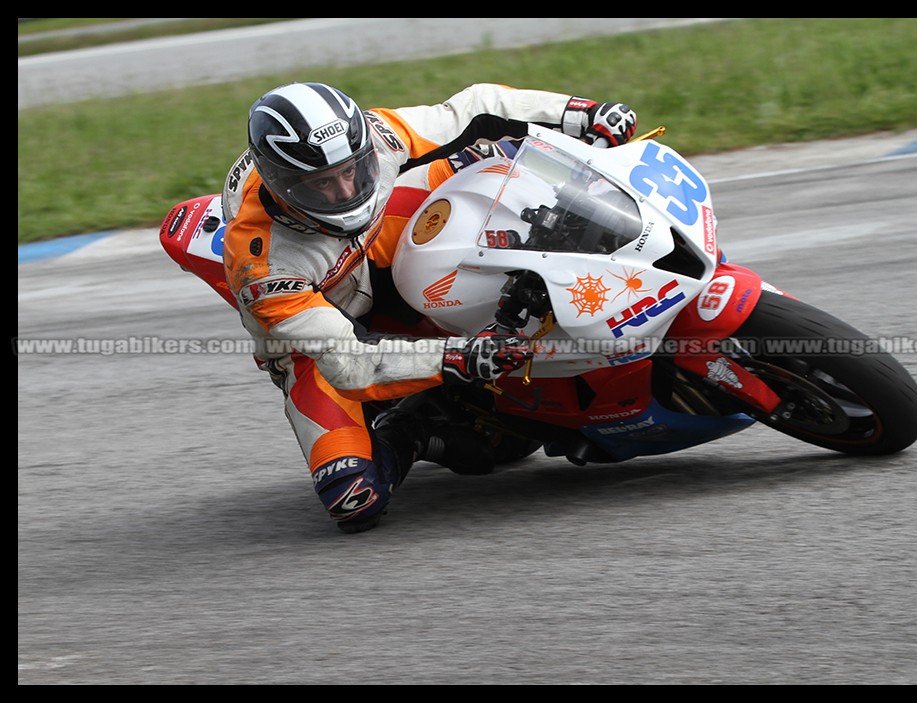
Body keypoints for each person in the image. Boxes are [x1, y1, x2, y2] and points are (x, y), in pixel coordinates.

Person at [220, 81, 638, 533]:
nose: (344, 193)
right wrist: (460, 357)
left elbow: (473, 109)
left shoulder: (376, 136)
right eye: (320, 184)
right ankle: (414, 429)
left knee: (494, 159)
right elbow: (350, 363)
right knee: (353, 498)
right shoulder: (262, 266)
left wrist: (583, 114)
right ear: (282, 185)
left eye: (352, 171)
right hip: (322, 337)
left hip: (379, 237)